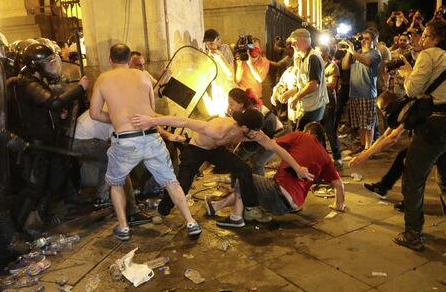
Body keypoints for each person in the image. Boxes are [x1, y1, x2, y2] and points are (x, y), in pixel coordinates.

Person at [89, 43, 200, 240]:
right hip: (151, 136)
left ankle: (123, 227)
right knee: (170, 181)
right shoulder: (143, 76)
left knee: (116, 184)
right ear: (130, 60)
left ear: (110, 59)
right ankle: (191, 222)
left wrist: (117, 119)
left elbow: (95, 113)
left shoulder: (103, 79)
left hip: (125, 141)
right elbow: (149, 108)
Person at [131, 109, 314, 225]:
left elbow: (276, 148)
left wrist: (298, 168)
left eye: (258, 130)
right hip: (196, 148)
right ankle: (162, 211)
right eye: (253, 130)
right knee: (184, 183)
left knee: (243, 170)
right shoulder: (218, 128)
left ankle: (251, 208)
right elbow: (183, 121)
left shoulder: (255, 133)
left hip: (215, 150)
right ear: (242, 126)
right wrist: (153, 121)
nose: (257, 134)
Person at [393, 19, 446, 251]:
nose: (422, 40)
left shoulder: (429, 55)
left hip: (437, 124)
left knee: (413, 177)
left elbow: (411, 89)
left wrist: (408, 72)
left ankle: (413, 234)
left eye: (426, 36)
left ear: (436, 38)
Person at [7, 44, 89, 230]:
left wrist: (55, 115)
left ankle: (43, 214)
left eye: (53, 61)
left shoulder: (37, 80)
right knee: (34, 187)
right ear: (36, 65)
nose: (53, 65)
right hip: (36, 145)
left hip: (47, 141)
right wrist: (80, 88)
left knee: (54, 180)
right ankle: (17, 228)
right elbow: (53, 102)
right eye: (48, 62)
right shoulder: (29, 84)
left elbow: (42, 108)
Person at [205, 122, 345, 227]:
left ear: (307, 132)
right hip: (292, 205)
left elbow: (270, 144)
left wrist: (246, 140)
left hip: (278, 193)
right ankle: (215, 206)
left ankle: (236, 218)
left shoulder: (301, 136)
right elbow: (339, 184)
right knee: (252, 186)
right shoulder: (326, 157)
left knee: (244, 175)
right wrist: (339, 205)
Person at [340, 28, 382, 151]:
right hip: (354, 93)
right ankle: (363, 145)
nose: (363, 41)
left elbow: (367, 62)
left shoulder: (375, 53)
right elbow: (344, 66)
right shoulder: (356, 52)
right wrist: (349, 51)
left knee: (368, 123)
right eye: (362, 38)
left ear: (374, 41)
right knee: (359, 123)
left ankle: (368, 148)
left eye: (367, 38)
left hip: (367, 93)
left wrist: (353, 52)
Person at [228, 88, 283, 175]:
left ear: (241, 104)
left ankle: (260, 186)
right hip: (267, 134)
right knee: (252, 159)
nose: (229, 107)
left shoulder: (251, 113)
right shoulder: (246, 111)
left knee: (258, 163)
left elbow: (252, 142)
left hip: (277, 135)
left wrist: (238, 155)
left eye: (231, 104)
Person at [285, 28, 328, 130]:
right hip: (310, 105)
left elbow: (313, 84)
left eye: (294, 42)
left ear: (303, 41)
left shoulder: (312, 58)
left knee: (304, 135)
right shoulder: (304, 57)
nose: (292, 45)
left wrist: (296, 97)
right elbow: (302, 83)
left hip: (313, 106)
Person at [317, 45, 342, 166]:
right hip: (317, 102)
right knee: (318, 130)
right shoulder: (316, 66)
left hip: (329, 103)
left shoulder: (332, 66)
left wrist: (316, 82)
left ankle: (337, 157)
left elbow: (332, 85)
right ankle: (322, 157)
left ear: (327, 53)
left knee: (329, 130)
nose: (319, 55)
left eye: (321, 52)